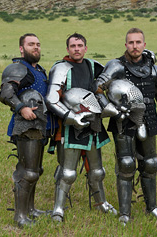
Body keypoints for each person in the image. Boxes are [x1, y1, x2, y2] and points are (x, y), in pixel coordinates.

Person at [95, 28, 157, 224]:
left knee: (150, 164)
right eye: (131, 43)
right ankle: (124, 213)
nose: (135, 46)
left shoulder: (155, 70)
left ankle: (153, 208)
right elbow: (97, 89)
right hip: (123, 120)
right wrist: (112, 109)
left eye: (138, 42)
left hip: (149, 119)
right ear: (126, 45)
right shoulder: (116, 66)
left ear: (144, 45)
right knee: (126, 164)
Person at [45, 33, 117, 222]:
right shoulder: (61, 68)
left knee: (97, 170)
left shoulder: (93, 66)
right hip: (70, 125)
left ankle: (100, 203)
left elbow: (99, 90)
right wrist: (72, 117)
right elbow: (52, 98)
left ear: (86, 48)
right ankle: (58, 208)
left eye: (80, 45)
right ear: (68, 49)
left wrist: (108, 106)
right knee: (67, 172)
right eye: (73, 46)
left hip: (93, 124)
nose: (76, 49)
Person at [0, 33, 52, 227]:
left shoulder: (39, 70)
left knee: (37, 170)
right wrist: (21, 107)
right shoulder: (18, 68)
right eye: (31, 44)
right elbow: (5, 93)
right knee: (27, 172)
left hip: (40, 125)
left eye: (38, 44)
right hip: (25, 127)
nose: (35, 47)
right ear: (22, 48)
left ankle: (30, 210)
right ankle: (20, 217)